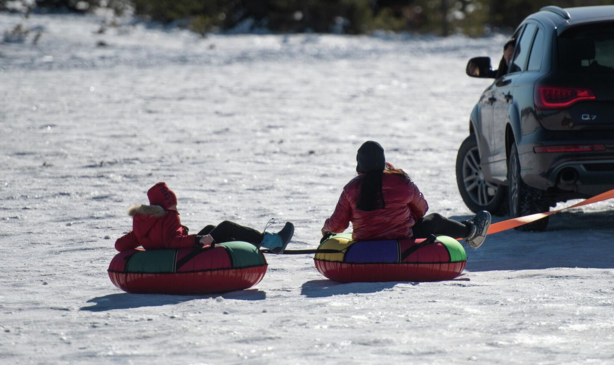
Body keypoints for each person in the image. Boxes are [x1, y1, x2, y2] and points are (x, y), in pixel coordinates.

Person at [321, 141, 492, 248]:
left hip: (365, 243)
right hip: (401, 241)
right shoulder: (401, 181)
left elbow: (337, 226)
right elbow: (422, 210)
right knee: (434, 220)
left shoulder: (350, 188)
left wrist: (325, 230)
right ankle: (471, 231)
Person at [115, 182, 294, 253]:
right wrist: (199, 240)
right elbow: (172, 242)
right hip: (180, 254)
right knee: (225, 226)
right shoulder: (167, 216)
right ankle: (273, 242)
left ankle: (250, 247)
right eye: (173, 205)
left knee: (210, 228)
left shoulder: (143, 223)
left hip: (171, 253)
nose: (175, 207)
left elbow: (120, 245)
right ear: (165, 205)